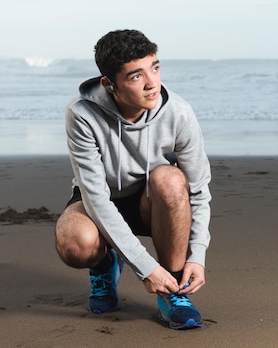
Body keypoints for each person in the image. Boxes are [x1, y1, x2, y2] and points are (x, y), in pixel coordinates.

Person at [54, 29, 211, 330]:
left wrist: (197, 255)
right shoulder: (82, 114)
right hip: (101, 199)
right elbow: (96, 199)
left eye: (155, 67)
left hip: (153, 204)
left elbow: (199, 191)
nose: (152, 83)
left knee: (170, 180)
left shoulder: (178, 113)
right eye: (136, 76)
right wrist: (145, 268)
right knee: (74, 244)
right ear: (109, 84)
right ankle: (105, 266)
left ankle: (174, 288)